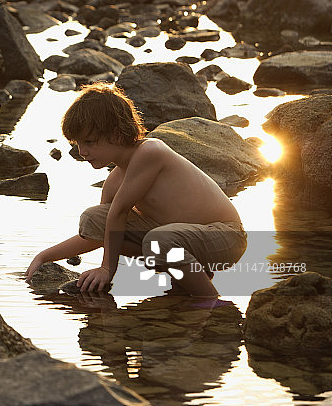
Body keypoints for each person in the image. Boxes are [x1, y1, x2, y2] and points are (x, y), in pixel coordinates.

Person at [25, 82, 247, 297]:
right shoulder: (114, 181)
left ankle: (210, 301)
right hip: (178, 238)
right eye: (77, 144)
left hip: (225, 236)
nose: (82, 151)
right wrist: (45, 256)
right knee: (95, 218)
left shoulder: (150, 151)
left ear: (116, 134)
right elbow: (102, 234)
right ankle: (186, 279)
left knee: (158, 241)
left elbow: (119, 212)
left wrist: (107, 270)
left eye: (90, 142)